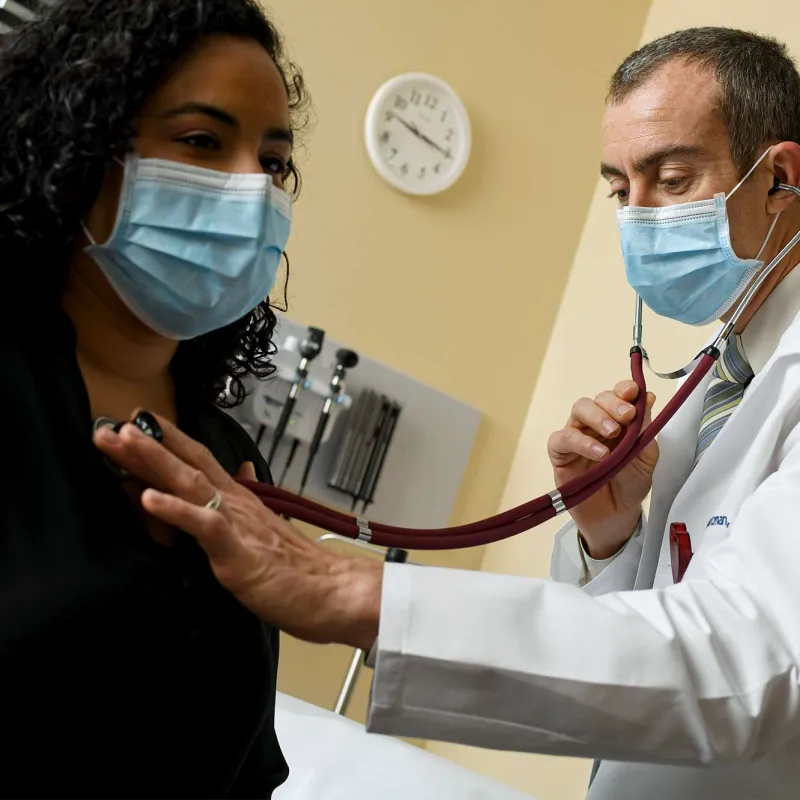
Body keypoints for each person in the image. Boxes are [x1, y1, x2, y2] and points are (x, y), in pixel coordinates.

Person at [98, 26, 800, 800]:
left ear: (780, 179)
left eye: (668, 178)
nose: (635, 218)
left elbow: (750, 665)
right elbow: (643, 658)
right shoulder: (721, 380)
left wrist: (342, 591)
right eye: (617, 188)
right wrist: (609, 535)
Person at [0, 0, 307, 795]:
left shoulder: (231, 459)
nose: (253, 189)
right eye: (203, 141)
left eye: (273, 162)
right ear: (80, 154)